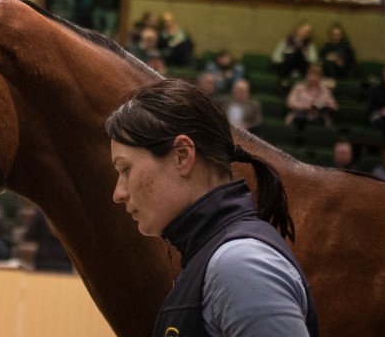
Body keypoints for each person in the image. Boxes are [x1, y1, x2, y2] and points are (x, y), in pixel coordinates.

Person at [105, 79, 318, 337]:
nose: (119, 193)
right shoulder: (215, 259)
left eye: (126, 169)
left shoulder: (240, 265)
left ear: (182, 156)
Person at [285, 65, 337, 129]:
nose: (313, 77)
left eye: (316, 75)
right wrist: (305, 106)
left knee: (318, 120)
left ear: (320, 77)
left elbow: (333, 106)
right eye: (311, 74)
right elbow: (290, 102)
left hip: (318, 116)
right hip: (299, 114)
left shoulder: (324, 89)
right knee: (300, 118)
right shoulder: (299, 87)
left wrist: (321, 106)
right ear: (306, 75)